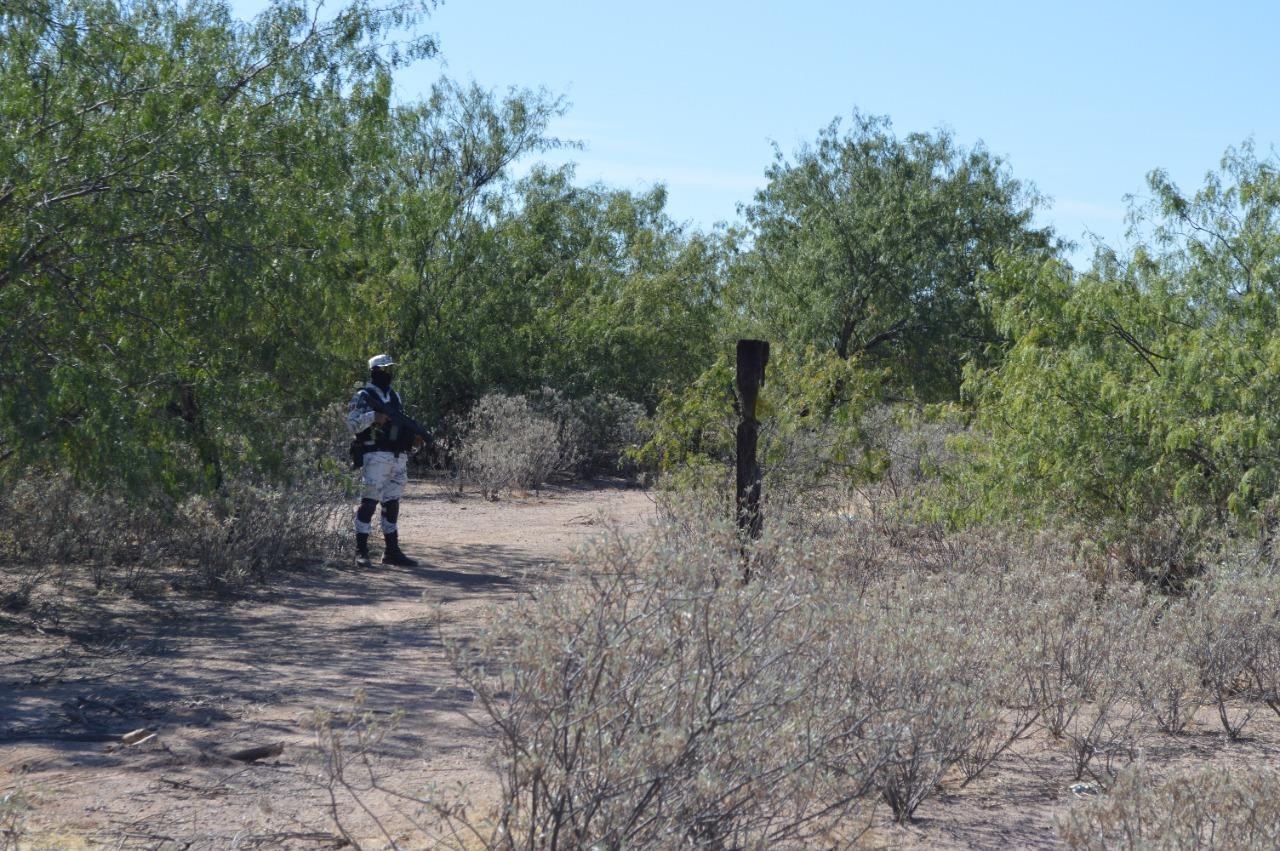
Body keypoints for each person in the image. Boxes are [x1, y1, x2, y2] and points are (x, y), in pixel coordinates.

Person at [345, 354, 426, 568]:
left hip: (397, 457)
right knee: (369, 502)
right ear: (374, 371)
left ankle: (392, 551)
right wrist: (373, 417)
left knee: (392, 503)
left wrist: (414, 439)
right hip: (374, 455)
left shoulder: (395, 396)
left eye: (390, 369)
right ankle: (360, 551)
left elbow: (400, 426)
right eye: (384, 369)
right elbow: (351, 425)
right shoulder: (363, 396)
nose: (388, 373)